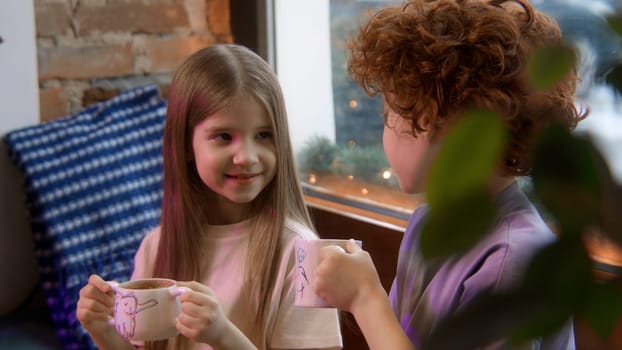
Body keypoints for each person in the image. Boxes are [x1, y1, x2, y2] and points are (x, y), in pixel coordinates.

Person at [313, 0, 588, 349]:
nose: (385, 130)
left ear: (431, 122)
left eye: (389, 115)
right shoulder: (428, 223)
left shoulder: (509, 261)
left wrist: (365, 298)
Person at [76, 44, 343, 350]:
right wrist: (102, 330)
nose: (247, 156)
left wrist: (222, 335)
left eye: (264, 135)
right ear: (186, 146)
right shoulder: (155, 246)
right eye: (224, 137)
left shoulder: (306, 256)